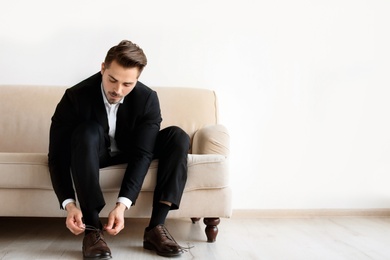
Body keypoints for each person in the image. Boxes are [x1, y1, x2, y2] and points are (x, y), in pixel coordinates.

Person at [48, 40, 190, 259]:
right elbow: (57, 156)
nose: (117, 90)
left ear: (137, 80)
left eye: (127, 84)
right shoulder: (75, 97)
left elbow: (143, 153)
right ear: (103, 68)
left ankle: (156, 228)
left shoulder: (147, 99)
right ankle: (93, 230)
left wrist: (122, 205)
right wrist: (69, 204)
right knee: (86, 131)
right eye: (112, 79)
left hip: (132, 150)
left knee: (177, 136)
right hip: (95, 153)